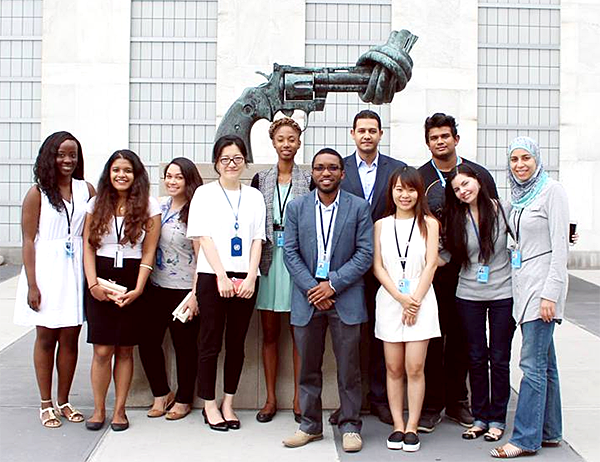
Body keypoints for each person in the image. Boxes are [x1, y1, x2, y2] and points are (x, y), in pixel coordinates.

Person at [282, 148, 373, 453]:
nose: (326, 173)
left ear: (342, 173)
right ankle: (309, 426)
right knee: (308, 367)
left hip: (345, 298)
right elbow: (290, 253)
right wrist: (313, 288)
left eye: (332, 168)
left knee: (350, 370)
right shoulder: (296, 208)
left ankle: (350, 426)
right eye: (320, 168)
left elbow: (365, 254)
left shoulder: (359, 208)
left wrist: (331, 285)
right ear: (313, 173)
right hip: (308, 300)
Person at [417, 112, 497, 432]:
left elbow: (494, 220)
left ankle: (458, 401)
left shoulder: (477, 174)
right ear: (428, 143)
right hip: (431, 274)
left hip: (469, 274)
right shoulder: (419, 177)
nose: (440, 142)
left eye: (445, 136)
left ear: (456, 139)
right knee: (433, 340)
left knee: (464, 340)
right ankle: (432, 404)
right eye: (434, 138)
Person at [491, 136, 569, 458]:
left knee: (531, 365)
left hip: (542, 291)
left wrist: (550, 295)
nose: (520, 165)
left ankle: (524, 438)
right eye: (514, 159)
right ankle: (550, 431)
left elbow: (561, 246)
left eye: (526, 158)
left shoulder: (553, 191)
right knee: (545, 363)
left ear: (537, 160)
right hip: (523, 286)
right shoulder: (517, 199)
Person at [14, 131, 95, 428]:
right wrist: (33, 285)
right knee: (46, 337)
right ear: (50, 155)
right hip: (46, 271)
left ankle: (64, 400)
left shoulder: (85, 189)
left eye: (73, 154)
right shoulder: (37, 193)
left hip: (74, 271)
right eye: (61, 154)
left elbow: (97, 227)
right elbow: (27, 240)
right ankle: (45, 403)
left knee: (71, 338)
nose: (67, 160)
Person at [187, 135, 266, 431]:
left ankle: (228, 402)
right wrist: (220, 275)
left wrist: (250, 276)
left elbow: (259, 239)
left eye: (237, 158)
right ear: (216, 163)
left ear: (244, 161)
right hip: (212, 278)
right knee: (209, 342)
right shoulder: (205, 194)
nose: (231, 164)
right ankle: (208, 404)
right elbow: (203, 237)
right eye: (225, 160)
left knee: (237, 344)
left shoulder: (255, 196)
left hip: (246, 279)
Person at [335, 109, 406, 425]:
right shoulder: (339, 169)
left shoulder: (397, 170)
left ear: (380, 134)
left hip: (387, 267)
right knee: (348, 337)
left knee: (382, 334)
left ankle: (379, 399)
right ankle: (349, 402)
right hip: (348, 266)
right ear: (352, 134)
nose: (366, 135)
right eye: (361, 130)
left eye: (372, 130)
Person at [83, 150, 161, 432]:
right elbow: (88, 247)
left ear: (136, 174)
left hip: (133, 278)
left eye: (127, 170)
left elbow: (149, 250)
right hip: (100, 279)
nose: (121, 175)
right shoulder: (95, 204)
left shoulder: (149, 206)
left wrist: (139, 288)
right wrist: (92, 284)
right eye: (116, 169)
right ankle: (98, 409)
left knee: (126, 350)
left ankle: (119, 411)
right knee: (102, 350)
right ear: (109, 173)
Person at [443, 163, 515, 442]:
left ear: (478, 180)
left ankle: (497, 417)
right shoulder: (456, 217)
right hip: (469, 294)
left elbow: (528, 236)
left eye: (466, 184)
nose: (462, 191)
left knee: (499, 357)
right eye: (457, 188)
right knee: (475, 357)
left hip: (503, 292)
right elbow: (446, 254)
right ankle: (480, 417)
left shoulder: (505, 210)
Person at [373, 166, 440, 452]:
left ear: (418, 192)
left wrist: (414, 301)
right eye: (399, 189)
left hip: (421, 299)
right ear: (392, 191)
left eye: (410, 189)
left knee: (415, 367)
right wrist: (401, 299)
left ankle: (413, 425)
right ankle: (397, 426)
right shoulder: (381, 225)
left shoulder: (430, 223)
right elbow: (377, 266)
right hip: (390, 298)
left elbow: (432, 264)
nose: (405, 195)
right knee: (393, 367)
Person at [251, 118, 312, 423]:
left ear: (299, 143)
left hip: (298, 260)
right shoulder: (260, 179)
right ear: (273, 143)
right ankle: (271, 398)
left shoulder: (310, 179)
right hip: (267, 259)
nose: (286, 144)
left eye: (292, 139)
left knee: (299, 332)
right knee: (270, 333)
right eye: (281, 139)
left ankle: (299, 399)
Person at [139, 158, 203, 421]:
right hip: (155, 287)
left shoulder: (196, 210)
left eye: (178, 177)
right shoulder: (157, 206)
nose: (172, 181)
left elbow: (203, 257)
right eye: (168, 176)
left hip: (184, 290)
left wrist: (196, 294)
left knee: (185, 347)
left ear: (189, 181)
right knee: (148, 342)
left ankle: (185, 398)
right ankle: (161, 393)